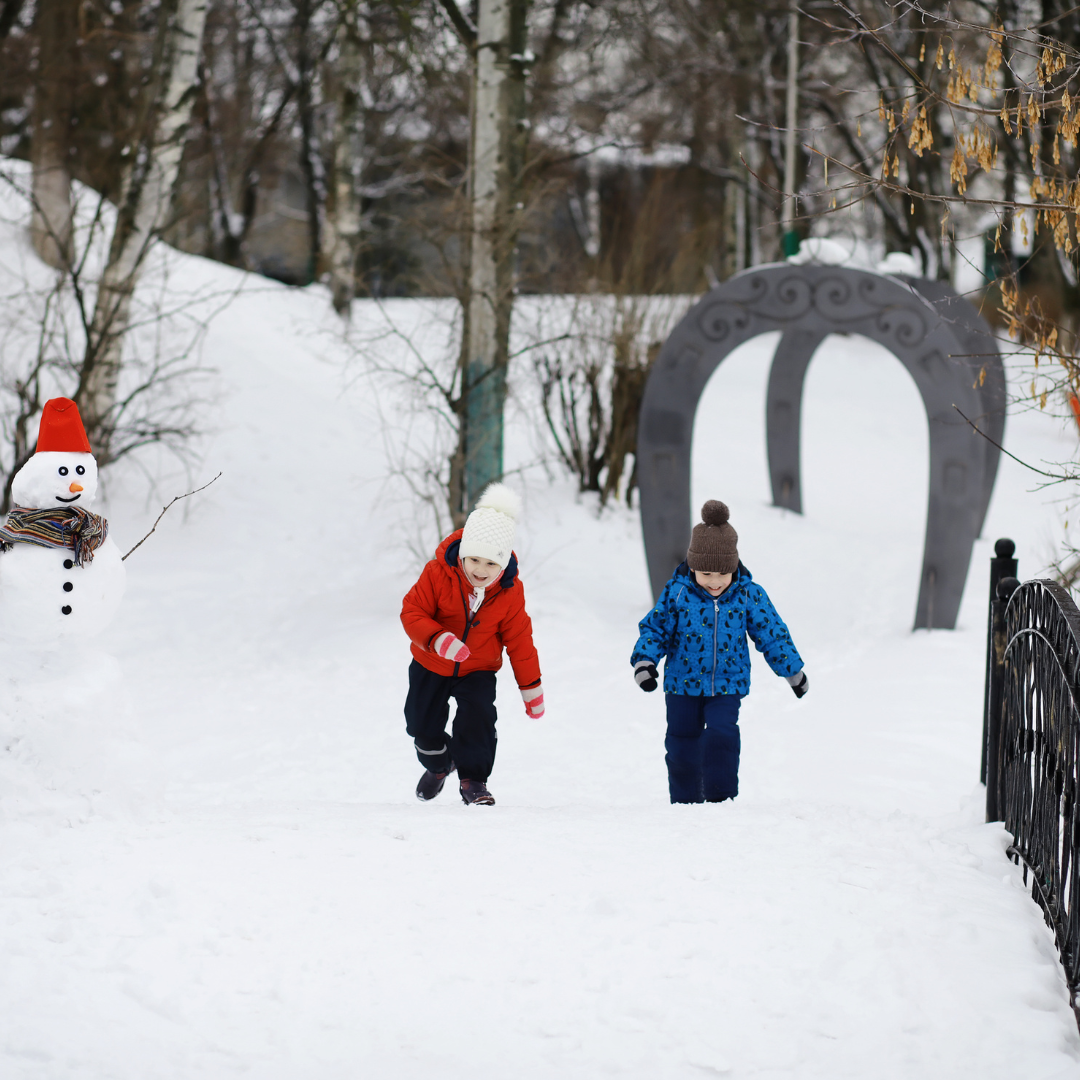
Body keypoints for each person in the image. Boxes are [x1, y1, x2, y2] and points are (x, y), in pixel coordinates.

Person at [631, 499, 807, 804]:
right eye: (706, 574)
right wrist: (645, 662)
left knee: (721, 733)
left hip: (727, 684)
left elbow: (772, 633)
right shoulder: (678, 593)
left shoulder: (748, 595)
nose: (715, 582)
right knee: (682, 743)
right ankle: (685, 802)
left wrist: (792, 671)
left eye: (722, 574)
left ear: (734, 566)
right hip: (682, 684)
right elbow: (656, 628)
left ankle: (721, 800)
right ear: (693, 566)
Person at [400, 483, 543, 806]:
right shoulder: (437, 574)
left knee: (477, 719)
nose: (480, 570)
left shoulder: (509, 592)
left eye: (491, 564)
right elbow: (412, 611)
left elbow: (520, 639)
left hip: (478, 668)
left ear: (504, 563)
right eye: (474, 559)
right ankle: (440, 764)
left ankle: (474, 781)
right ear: (463, 552)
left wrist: (531, 686)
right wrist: (438, 640)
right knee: (420, 724)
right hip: (430, 662)